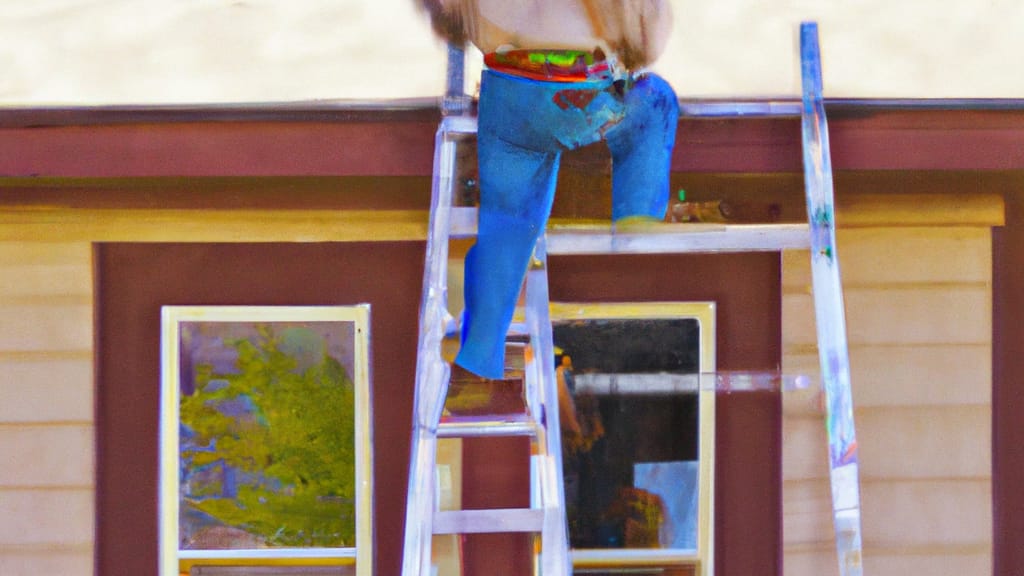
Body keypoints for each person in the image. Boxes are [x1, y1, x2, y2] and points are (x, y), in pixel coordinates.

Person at [420, 0, 680, 379]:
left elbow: (450, 17)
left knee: (507, 227)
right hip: (578, 91)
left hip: (508, 92)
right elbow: (644, 39)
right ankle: (636, 228)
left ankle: (477, 359)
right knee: (655, 101)